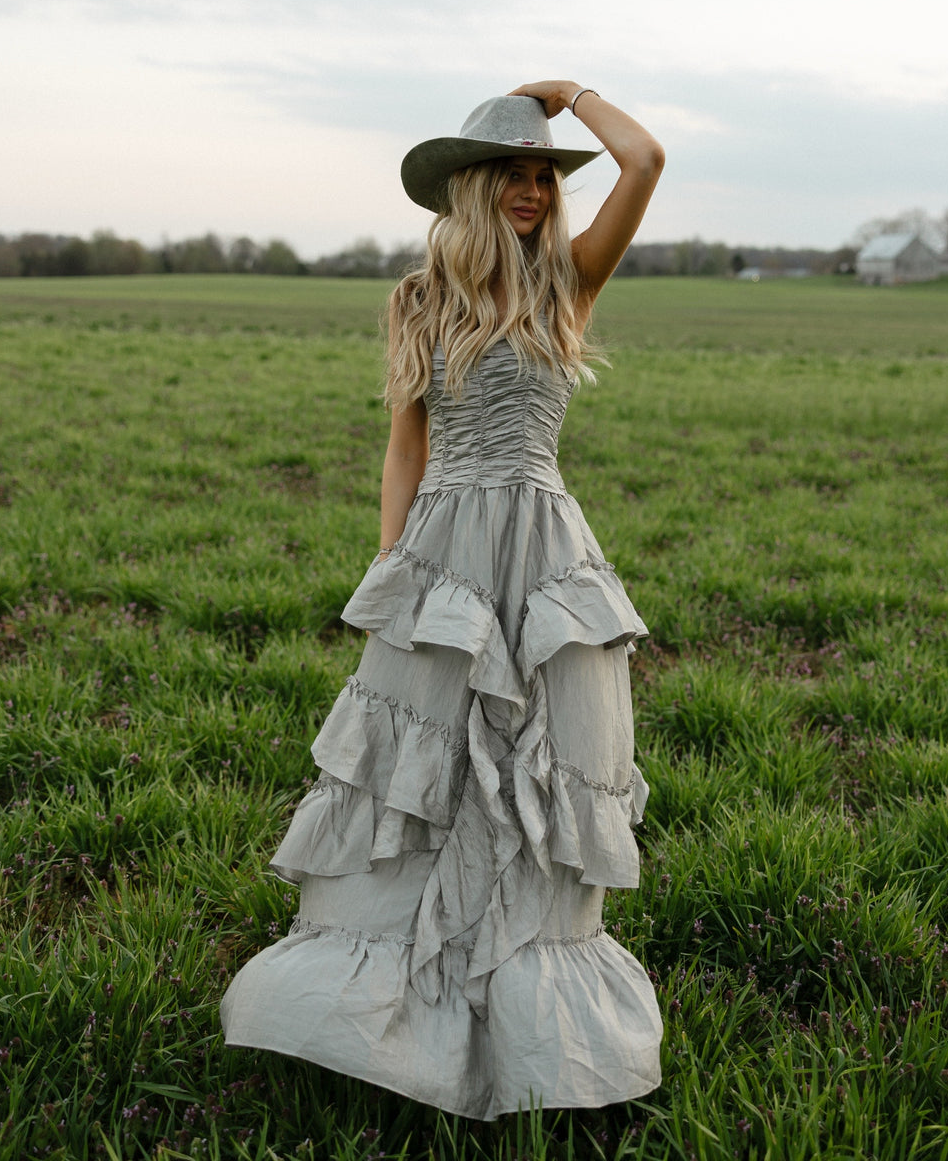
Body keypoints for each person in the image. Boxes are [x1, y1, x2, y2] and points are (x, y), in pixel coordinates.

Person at [221, 82, 666, 1120]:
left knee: (545, 767)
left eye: (543, 176)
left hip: (546, 557)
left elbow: (642, 164)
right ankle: (393, 1009)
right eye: (511, 172)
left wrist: (572, 96)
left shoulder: (568, 281)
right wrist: (394, 574)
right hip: (445, 555)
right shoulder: (421, 298)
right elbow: (406, 445)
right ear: (471, 185)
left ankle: (530, 1021)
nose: (529, 191)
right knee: (417, 767)